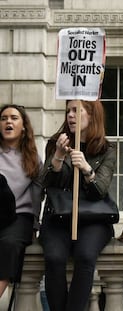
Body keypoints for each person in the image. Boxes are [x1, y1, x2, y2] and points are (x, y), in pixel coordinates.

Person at [39, 99, 116, 311]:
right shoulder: (57, 142)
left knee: (85, 256)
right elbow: (44, 183)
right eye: (68, 111)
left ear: (92, 115)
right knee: (54, 258)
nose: (70, 116)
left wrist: (86, 169)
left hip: (93, 218)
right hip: (59, 216)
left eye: (76, 110)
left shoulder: (106, 149)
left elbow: (100, 190)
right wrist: (57, 158)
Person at [0, 104, 43, 299]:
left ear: (23, 126)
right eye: (3, 118)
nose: (8, 121)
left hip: (19, 216)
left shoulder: (33, 159)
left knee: (9, 245)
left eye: (14, 118)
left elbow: (36, 194)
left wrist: (35, 224)